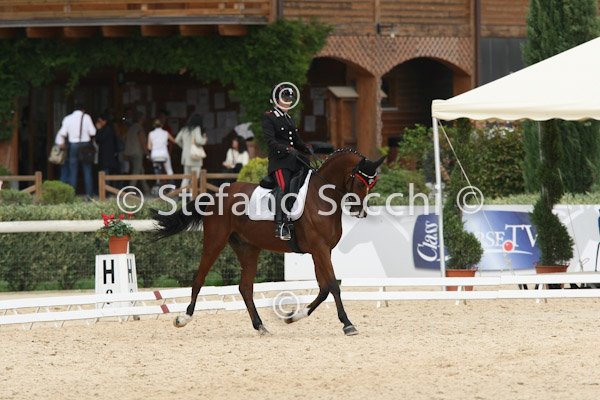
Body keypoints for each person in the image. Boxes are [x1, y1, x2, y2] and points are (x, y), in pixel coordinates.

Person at [262, 84, 312, 240]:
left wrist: (307, 148)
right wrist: (287, 149)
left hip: (293, 160)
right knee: (284, 187)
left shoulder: (289, 119)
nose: (288, 102)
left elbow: (296, 141)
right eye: (285, 99)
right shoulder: (269, 117)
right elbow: (270, 141)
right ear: (276, 100)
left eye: (289, 99)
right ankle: (281, 224)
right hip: (279, 162)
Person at [55, 102, 96, 197]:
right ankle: (89, 196)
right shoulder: (87, 117)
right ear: (83, 110)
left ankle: (72, 195)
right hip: (85, 145)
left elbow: (63, 133)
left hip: (73, 145)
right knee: (87, 170)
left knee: (73, 170)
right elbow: (93, 132)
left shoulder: (68, 118)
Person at [175, 114, 207, 188]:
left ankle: (183, 194)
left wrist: (184, 147)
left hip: (185, 157)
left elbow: (177, 140)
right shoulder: (197, 128)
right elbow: (199, 141)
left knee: (186, 177)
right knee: (194, 178)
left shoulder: (184, 129)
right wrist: (204, 139)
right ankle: (192, 195)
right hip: (195, 156)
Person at [123, 112, 149, 192]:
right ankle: (130, 190)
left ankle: (146, 189)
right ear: (141, 119)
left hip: (129, 152)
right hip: (137, 152)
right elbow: (142, 141)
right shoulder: (139, 128)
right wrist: (147, 153)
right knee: (136, 172)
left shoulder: (131, 127)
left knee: (140, 170)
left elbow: (123, 137)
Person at [147, 118, 177, 183]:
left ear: (153, 125)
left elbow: (149, 147)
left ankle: (158, 182)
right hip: (164, 154)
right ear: (162, 125)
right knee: (169, 169)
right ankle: (172, 185)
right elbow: (174, 141)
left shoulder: (151, 133)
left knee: (156, 169)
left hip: (155, 154)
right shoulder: (166, 133)